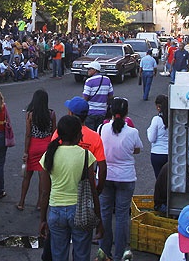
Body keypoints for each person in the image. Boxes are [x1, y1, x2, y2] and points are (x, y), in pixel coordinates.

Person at [39, 115, 103, 261]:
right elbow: (93, 191)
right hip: (80, 212)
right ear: (77, 136)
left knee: (59, 255)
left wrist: (43, 219)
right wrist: (99, 220)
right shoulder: (85, 155)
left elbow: (44, 193)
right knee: (81, 254)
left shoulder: (49, 155)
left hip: (55, 211)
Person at [96, 98, 142, 261]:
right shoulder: (132, 132)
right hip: (125, 177)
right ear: (126, 114)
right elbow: (137, 149)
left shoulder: (102, 128)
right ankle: (118, 254)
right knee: (122, 215)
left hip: (105, 175)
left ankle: (103, 251)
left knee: (105, 213)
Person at [17, 89, 56, 211]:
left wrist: (25, 152)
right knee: (42, 178)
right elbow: (54, 132)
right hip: (46, 146)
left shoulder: (30, 114)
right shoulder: (51, 114)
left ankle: (21, 202)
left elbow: (28, 135)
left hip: (33, 146)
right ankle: (40, 203)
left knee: (27, 176)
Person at [82, 61, 115, 131]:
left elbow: (85, 98)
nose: (88, 71)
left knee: (90, 134)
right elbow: (111, 96)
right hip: (103, 112)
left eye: (89, 69)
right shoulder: (107, 80)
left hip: (90, 112)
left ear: (95, 70)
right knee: (99, 132)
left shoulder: (89, 81)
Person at [147, 94, 169, 178]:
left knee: (159, 180)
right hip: (169, 154)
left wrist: (148, 130)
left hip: (157, 154)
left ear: (158, 106)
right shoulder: (172, 119)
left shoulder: (156, 119)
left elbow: (151, 138)